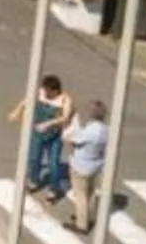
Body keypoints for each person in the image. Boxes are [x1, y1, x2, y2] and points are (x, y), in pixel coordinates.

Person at [63, 100, 109, 232]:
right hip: (96, 165)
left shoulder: (90, 130)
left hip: (81, 165)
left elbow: (72, 140)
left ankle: (81, 224)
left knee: (81, 195)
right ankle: (88, 217)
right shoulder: (105, 130)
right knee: (91, 193)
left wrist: (69, 134)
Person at [25, 76, 71, 200]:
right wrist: (17, 111)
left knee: (53, 164)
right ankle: (34, 180)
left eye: (48, 91)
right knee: (34, 158)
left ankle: (54, 189)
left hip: (55, 135)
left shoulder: (64, 99)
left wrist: (47, 124)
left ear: (55, 91)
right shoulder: (41, 93)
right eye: (44, 90)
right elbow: (28, 99)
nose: (45, 93)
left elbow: (65, 117)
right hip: (38, 133)